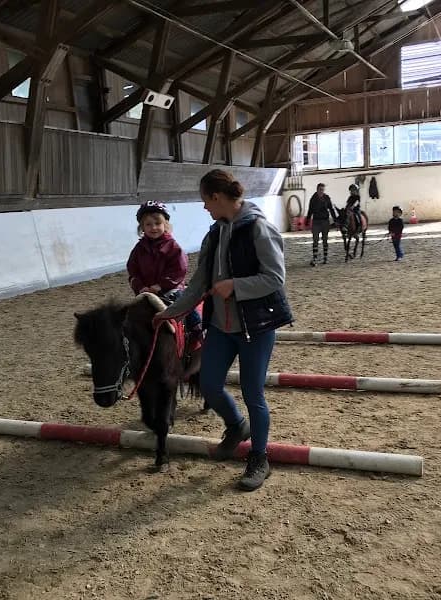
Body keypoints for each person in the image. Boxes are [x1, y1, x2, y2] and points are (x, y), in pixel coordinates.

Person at [153, 169, 293, 491]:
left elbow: (275, 278)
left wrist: (235, 285)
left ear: (217, 197)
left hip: (255, 327)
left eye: (205, 201)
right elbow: (199, 284)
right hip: (220, 326)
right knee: (210, 384)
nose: (204, 208)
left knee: (253, 393)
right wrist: (169, 314)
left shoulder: (259, 228)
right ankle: (236, 426)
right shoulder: (214, 234)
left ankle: (259, 457)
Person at [127, 200, 202, 341]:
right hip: (146, 291)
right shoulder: (139, 249)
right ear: (142, 227)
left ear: (165, 225)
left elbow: (179, 269)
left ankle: (197, 328)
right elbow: (132, 269)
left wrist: (160, 285)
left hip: (169, 289)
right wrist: (141, 286)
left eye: (157, 223)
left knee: (184, 303)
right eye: (148, 224)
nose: (153, 228)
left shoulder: (173, 247)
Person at [306, 183, 337, 266]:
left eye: (323, 190)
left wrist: (335, 219)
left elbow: (331, 209)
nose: (321, 191)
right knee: (315, 240)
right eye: (320, 189)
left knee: (325, 240)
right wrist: (307, 220)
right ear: (317, 189)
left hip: (325, 221)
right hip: (316, 221)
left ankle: (325, 257)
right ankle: (315, 258)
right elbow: (310, 210)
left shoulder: (327, 198)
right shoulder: (313, 199)